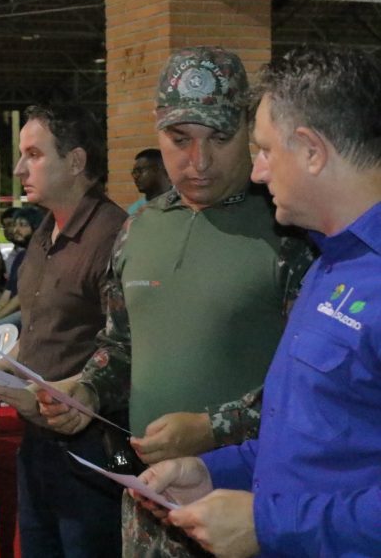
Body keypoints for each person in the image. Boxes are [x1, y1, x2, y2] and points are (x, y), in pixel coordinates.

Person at [36, 47, 313, 557]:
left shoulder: (291, 232)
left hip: (248, 511)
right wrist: (87, 389)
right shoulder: (138, 229)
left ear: (249, 131)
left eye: (220, 139)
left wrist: (213, 429)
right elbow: (121, 343)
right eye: (180, 140)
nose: (199, 161)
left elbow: (311, 391)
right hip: (148, 506)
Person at [137, 46, 381, 557]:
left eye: (265, 150)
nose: (257, 172)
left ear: (312, 151)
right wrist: (212, 471)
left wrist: (268, 525)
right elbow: (310, 444)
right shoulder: (328, 264)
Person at [0, 105, 128, 557]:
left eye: (33, 155)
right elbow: (42, 332)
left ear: (75, 162)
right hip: (38, 439)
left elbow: (128, 344)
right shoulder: (43, 233)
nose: (19, 169)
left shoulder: (114, 235)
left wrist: (73, 391)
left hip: (93, 443)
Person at [0, 205, 44, 328]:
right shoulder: (20, 256)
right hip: (13, 310)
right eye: (15, 225)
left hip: (27, 313)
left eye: (22, 225)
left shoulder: (40, 257)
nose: (15, 230)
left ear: (36, 228)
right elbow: (6, 295)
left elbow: (20, 298)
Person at [127, 148, 170, 215]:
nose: (135, 176)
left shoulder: (183, 203)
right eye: (134, 172)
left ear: (158, 169)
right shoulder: (134, 210)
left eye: (140, 171)